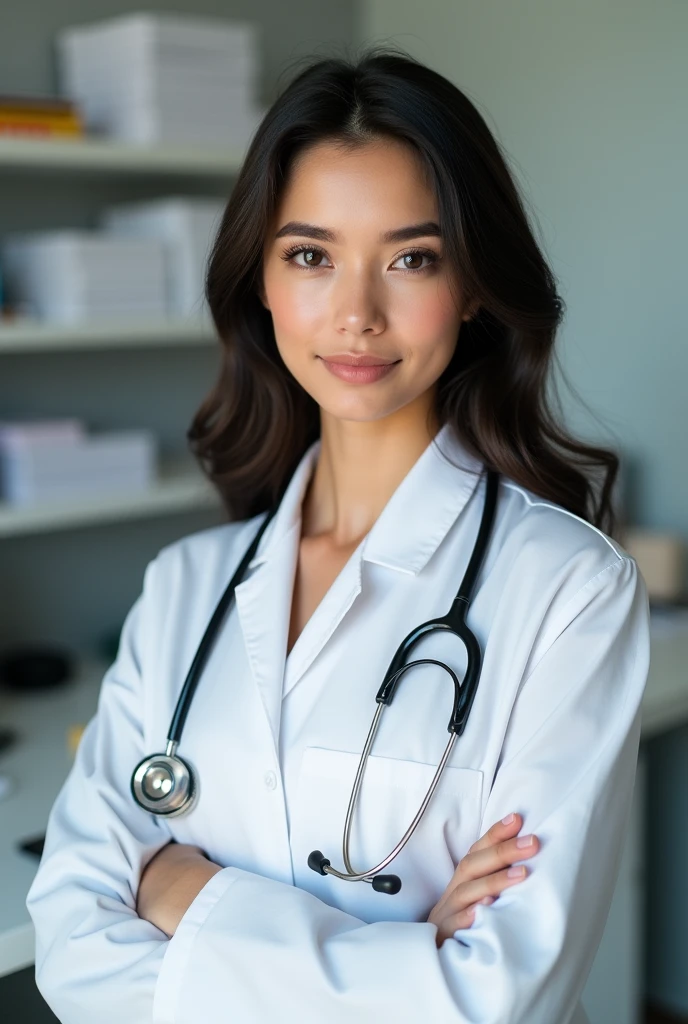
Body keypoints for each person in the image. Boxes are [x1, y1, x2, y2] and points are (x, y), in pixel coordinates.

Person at [26, 49, 649, 1024]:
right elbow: (69, 940)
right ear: (262, 284)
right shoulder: (185, 586)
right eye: (310, 255)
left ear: (474, 284)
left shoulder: (567, 590)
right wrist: (404, 961)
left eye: (411, 257)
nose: (356, 315)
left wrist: (178, 892)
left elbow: (497, 1001)